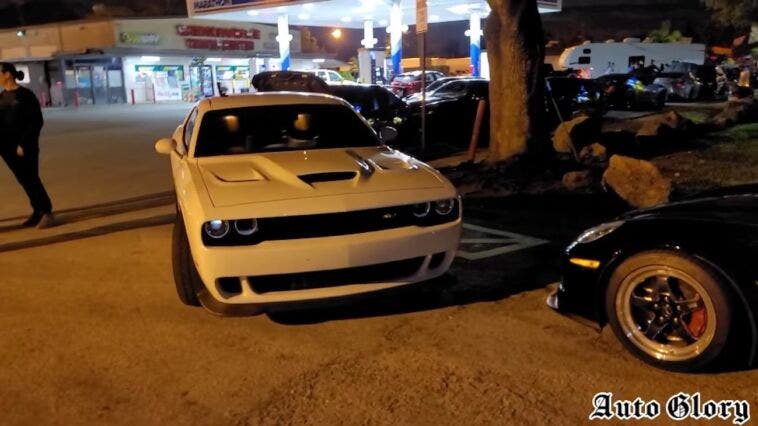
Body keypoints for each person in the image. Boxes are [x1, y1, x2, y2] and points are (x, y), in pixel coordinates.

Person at [0, 62, 54, 228]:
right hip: (6, 148)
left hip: (24, 147)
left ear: (7, 74)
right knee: (24, 180)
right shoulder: (1, 97)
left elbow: (36, 121)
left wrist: (24, 143)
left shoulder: (25, 95)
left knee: (32, 179)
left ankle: (46, 212)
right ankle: (37, 211)